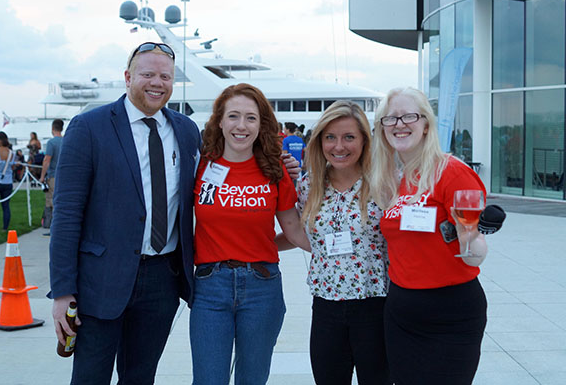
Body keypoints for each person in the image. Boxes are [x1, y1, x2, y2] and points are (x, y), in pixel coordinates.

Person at [48, 42, 202, 384]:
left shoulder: (186, 130)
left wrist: (281, 168)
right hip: (100, 280)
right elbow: (67, 213)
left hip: (163, 277)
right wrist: (62, 292)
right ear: (128, 77)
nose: (157, 83)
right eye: (148, 74)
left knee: (140, 376)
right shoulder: (89, 127)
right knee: (90, 377)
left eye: (165, 76)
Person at [191, 83, 311, 385]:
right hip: (210, 287)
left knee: (253, 379)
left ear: (261, 124)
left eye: (250, 118)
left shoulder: (275, 169)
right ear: (220, 121)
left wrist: (340, 251)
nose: (241, 126)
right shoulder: (201, 165)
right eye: (233, 116)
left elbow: (294, 230)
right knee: (208, 380)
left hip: (262, 287)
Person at [370, 87, 488, 385]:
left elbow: (474, 250)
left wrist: (471, 238)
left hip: (450, 312)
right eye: (390, 118)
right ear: (382, 128)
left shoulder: (452, 172)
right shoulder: (393, 180)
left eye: (409, 116)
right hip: (401, 313)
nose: (399, 124)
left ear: (425, 125)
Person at [278, 101, 391, 385]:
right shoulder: (309, 185)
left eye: (349, 137)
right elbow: (305, 236)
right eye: (330, 137)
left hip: (375, 306)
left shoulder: (385, 184)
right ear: (319, 141)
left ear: (365, 140)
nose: (338, 146)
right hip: (326, 306)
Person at [39, 119, 64, 233]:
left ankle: (52, 226)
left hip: (53, 175)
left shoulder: (51, 143)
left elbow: (47, 159)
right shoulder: (66, 141)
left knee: (52, 201)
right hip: (64, 175)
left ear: (53, 128)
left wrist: (42, 176)